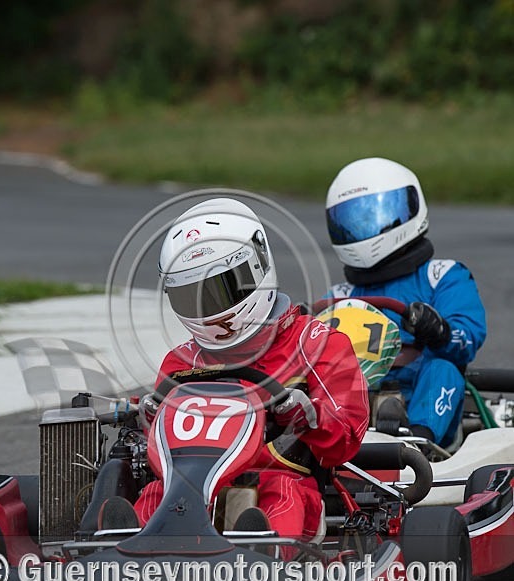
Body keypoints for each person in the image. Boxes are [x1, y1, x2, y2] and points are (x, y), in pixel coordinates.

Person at [130, 197, 370, 558]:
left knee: (279, 495)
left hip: (280, 478)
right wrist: (149, 420)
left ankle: (261, 557)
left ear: (256, 266)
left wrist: (310, 415)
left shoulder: (316, 343)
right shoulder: (181, 362)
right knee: (154, 495)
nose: (208, 311)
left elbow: (347, 438)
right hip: (188, 488)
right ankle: (121, 551)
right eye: (190, 297)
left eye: (220, 289)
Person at [324, 157, 487, 447]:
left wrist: (439, 330)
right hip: (357, 399)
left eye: (374, 215)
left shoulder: (442, 275)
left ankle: (417, 444)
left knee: (444, 367)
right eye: (354, 221)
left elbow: (468, 337)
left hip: (423, 392)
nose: (364, 228)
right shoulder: (340, 295)